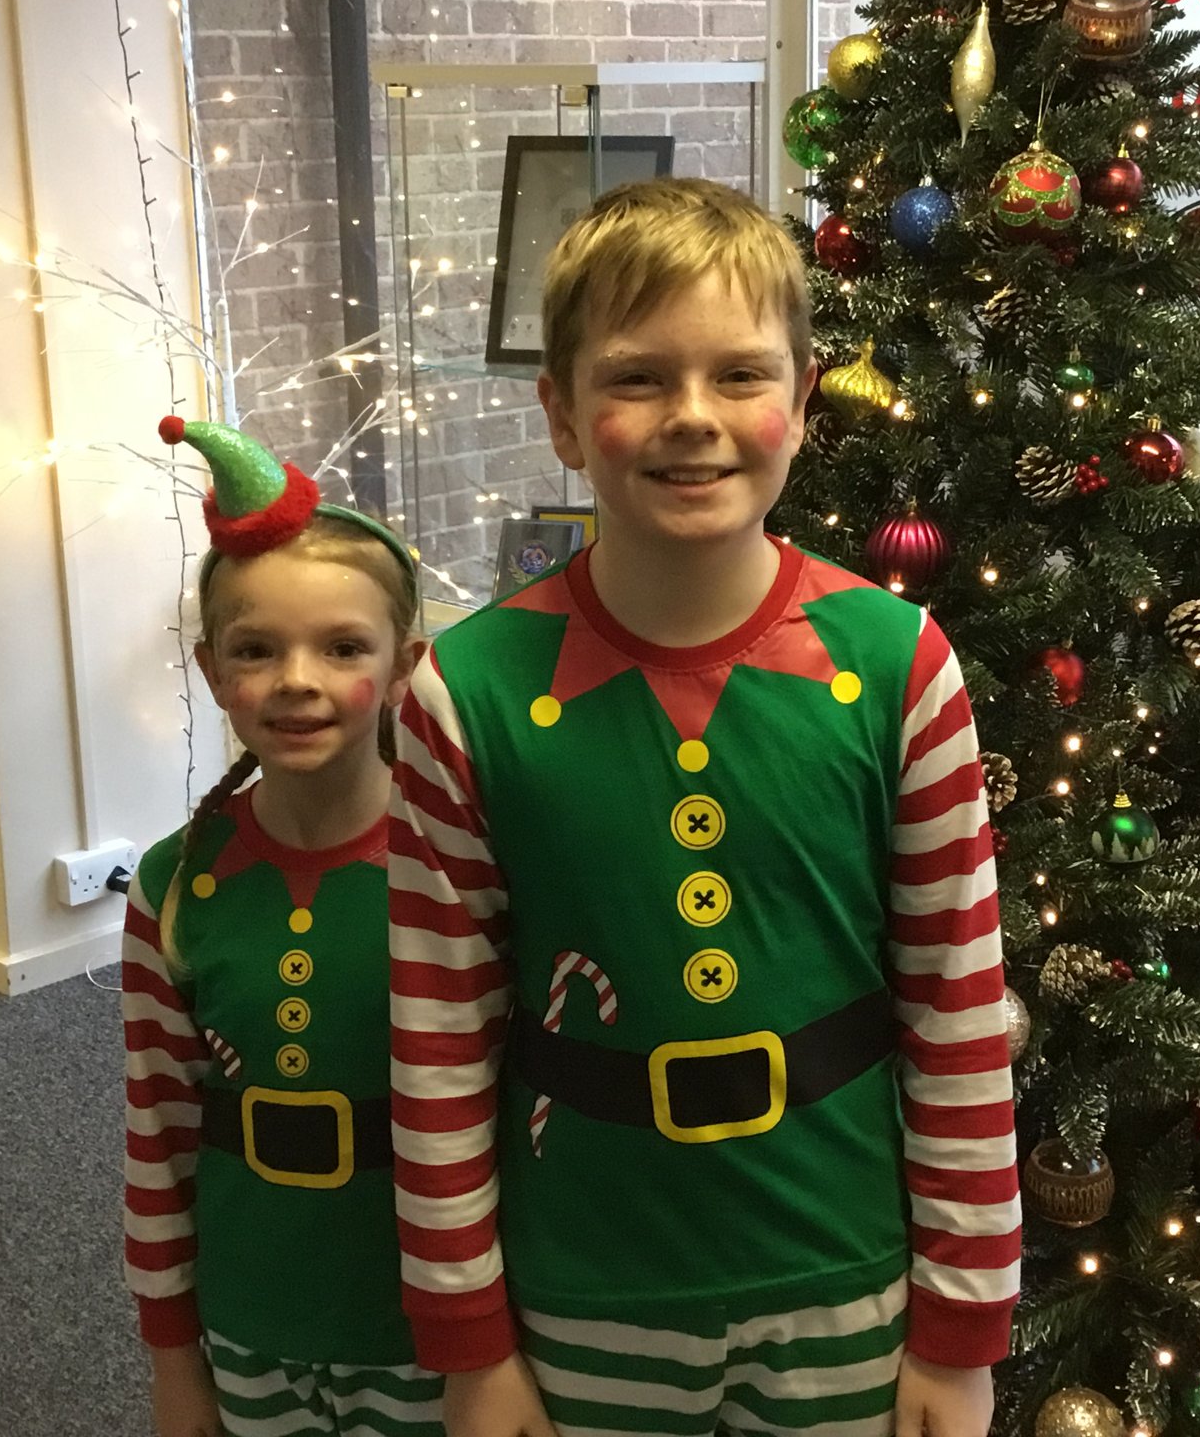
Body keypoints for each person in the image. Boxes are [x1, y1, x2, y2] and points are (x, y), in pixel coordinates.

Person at [389, 178, 1020, 1437]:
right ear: (561, 416)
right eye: (634, 380)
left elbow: (954, 1010)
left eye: (739, 375)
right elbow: (437, 1034)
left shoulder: (898, 666)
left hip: (843, 1278)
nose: (693, 420)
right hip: (582, 1288)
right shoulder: (464, 692)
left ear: (800, 400)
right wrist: (469, 1343)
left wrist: (958, 1333)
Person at [122, 415, 439, 1437]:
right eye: (257, 650)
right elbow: (158, 1134)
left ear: (402, 667)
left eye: (341, 646)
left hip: (431, 1326)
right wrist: (175, 1363)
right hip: (251, 1318)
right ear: (215, 672)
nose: (296, 679)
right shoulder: (178, 883)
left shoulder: (458, 865)